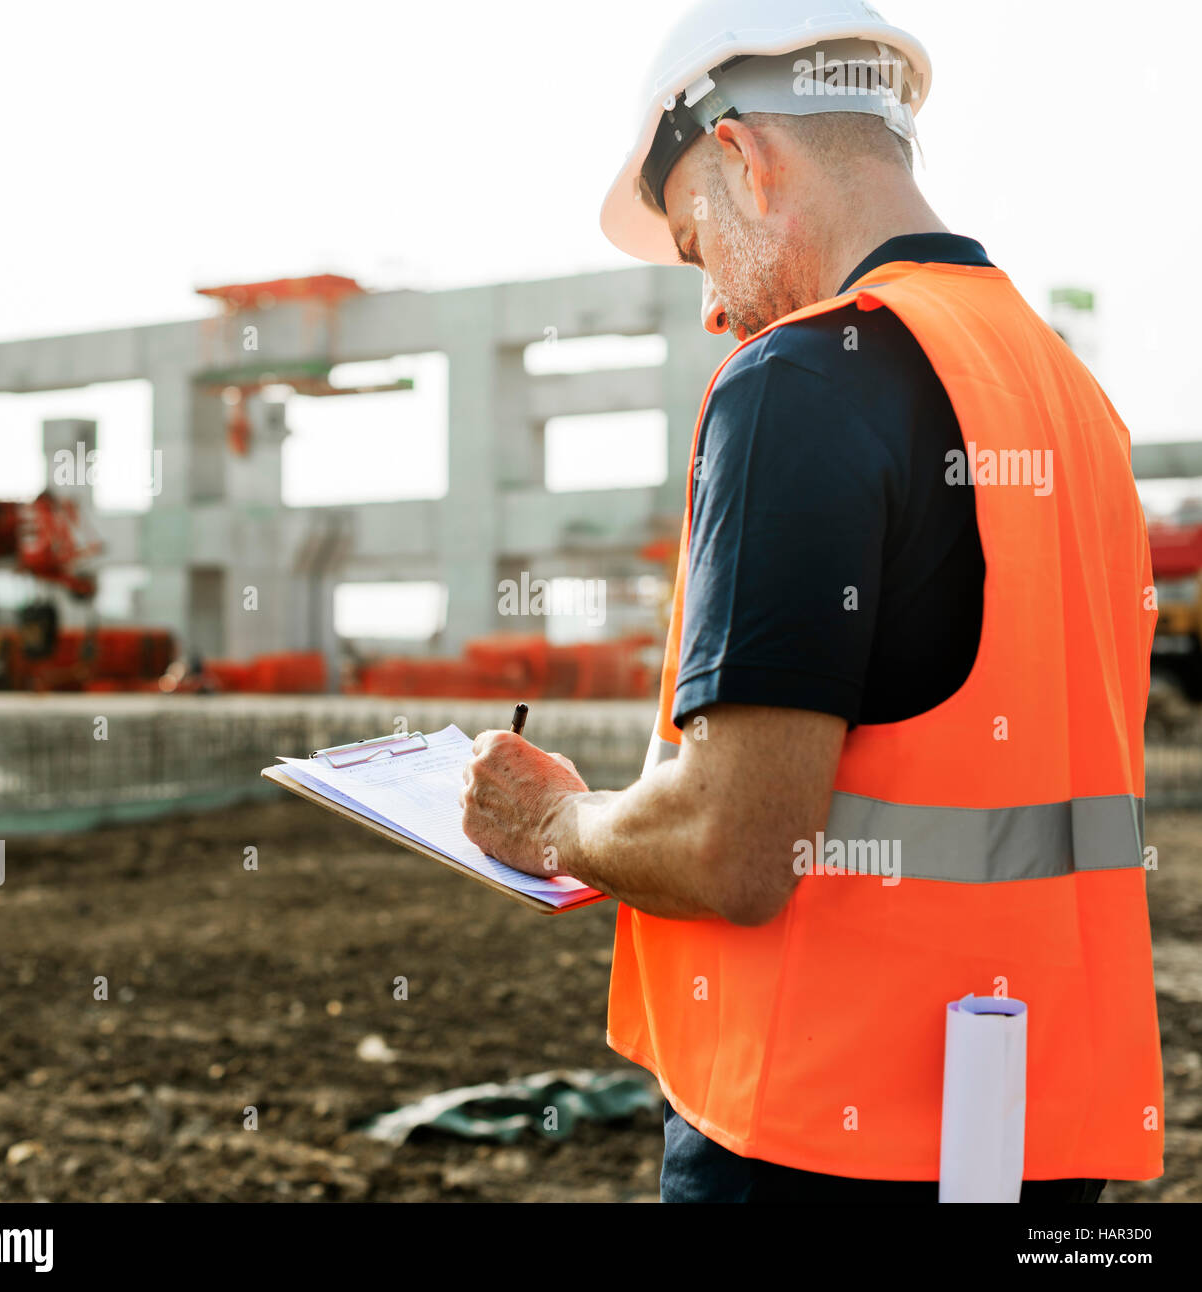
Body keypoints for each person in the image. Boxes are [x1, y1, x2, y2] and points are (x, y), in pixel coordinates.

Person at [461, 0, 1162, 1202]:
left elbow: (734, 847)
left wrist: (551, 822)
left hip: (820, 1137)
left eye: (696, 245)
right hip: (1034, 1132)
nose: (711, 308)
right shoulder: (1069, 398)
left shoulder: (797, 380)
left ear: (743, 156)